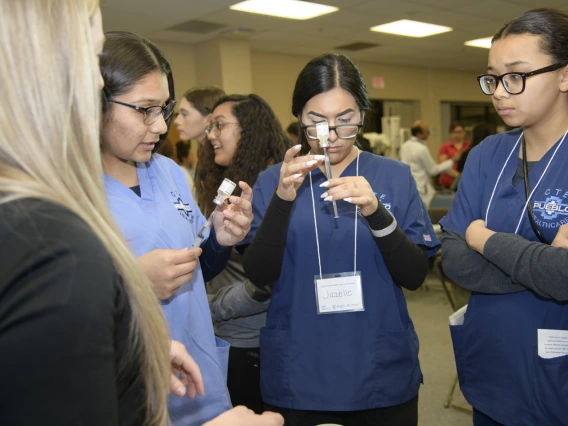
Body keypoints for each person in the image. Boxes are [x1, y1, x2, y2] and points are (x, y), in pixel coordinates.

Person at [242, 53, 440, 426]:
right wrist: (284, 199)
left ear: (363, 115)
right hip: (300, 367)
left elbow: (415, 275)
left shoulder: (393, 176)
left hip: (377, 366)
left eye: (345, 121)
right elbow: (258, 272)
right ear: (299, 117)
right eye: (316, 122)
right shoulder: (274, 180)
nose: (330, 136)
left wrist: (376, 213)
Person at [98, 31, 265, 426]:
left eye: (165, 109)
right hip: (129, 382)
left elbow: (196, 267)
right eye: (144, 109)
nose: (160, 126)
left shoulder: (168, 172)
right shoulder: (70, 193)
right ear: (96, 103)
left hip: (198, 369)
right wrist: (133, 282)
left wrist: (221, 239)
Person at [440, 8, 568, 426]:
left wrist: (484, 240)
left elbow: (563, 276)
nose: (498, 92)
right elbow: (453, 258)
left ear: (564, 76)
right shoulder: (487, 155)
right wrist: (540, 265)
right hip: (492, 369)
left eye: (516, 75)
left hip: (556, 380)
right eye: (492, 77)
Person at [204, 94, 289, 413]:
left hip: (251, 339)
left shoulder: (269, 190)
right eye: (210, 126)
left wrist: (212, 308)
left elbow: (267, 279)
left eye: (219, 125)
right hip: (229, 331)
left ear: (250, 130)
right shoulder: (237, 182)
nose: (210, 134)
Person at [174, 86, 226, 202]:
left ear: (208, 120)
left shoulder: (221, 159)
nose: (176, 121)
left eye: (184, 114)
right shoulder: (204, 155)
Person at [401, 120, 454, 209]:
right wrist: (451, 161)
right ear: (419, 134)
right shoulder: (422, 149)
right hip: (422, 190)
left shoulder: (404, 146)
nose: (429, 133)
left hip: (408, 187)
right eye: (427, 131)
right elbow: (433, 170)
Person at [438, 120, 470, 188]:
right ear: (451, 133)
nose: (457, 135)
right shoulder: (445, 147)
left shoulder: (469, 146)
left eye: (459, 132)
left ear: (464, 133)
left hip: (465, 184)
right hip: (447, 185)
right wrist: (459, 176)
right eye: (454, 132)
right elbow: (443, 167)